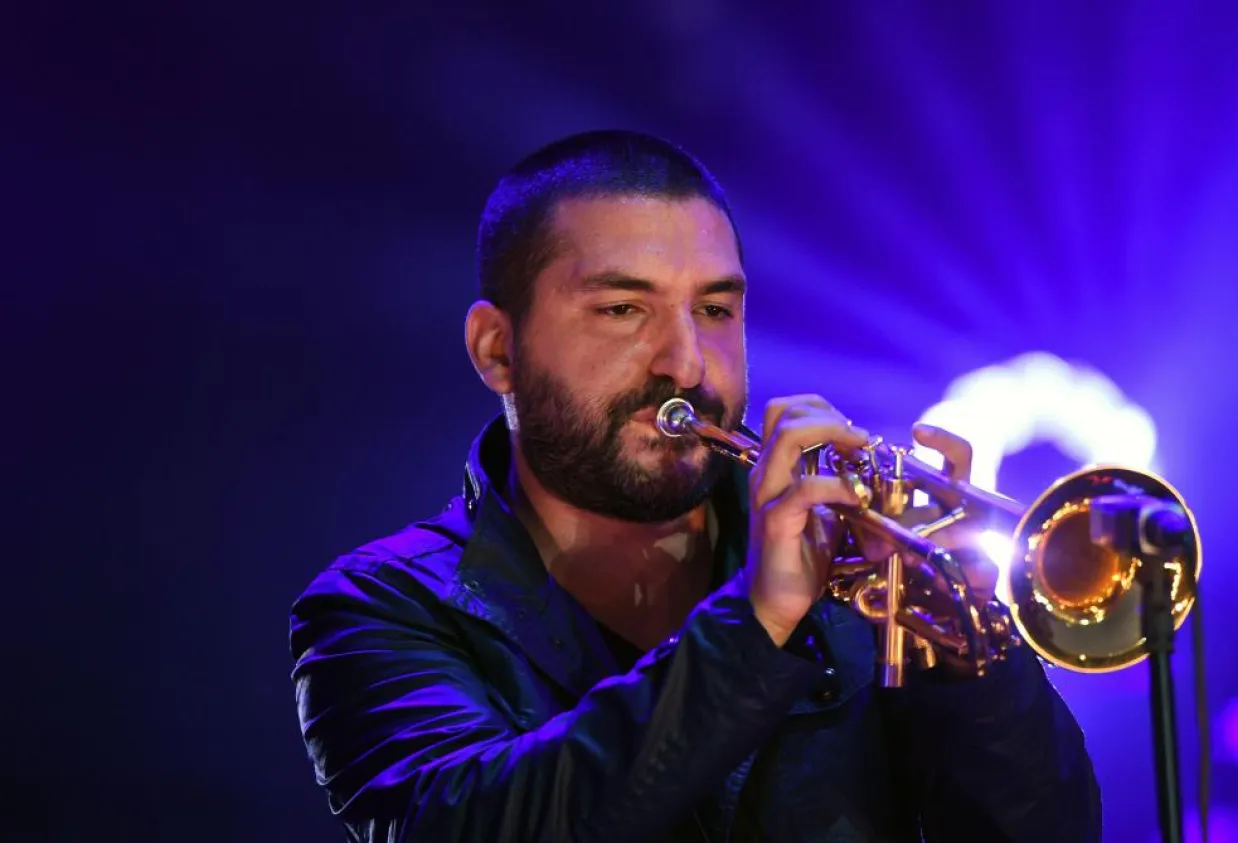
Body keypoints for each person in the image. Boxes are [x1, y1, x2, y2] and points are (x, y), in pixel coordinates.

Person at [288, 129, 1102, 842]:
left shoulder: (855, 581)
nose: (685, 363)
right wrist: (753, 625)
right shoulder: (379, 608)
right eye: (621, 310)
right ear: (497, 349)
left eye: (715, 310)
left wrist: (971, 656)